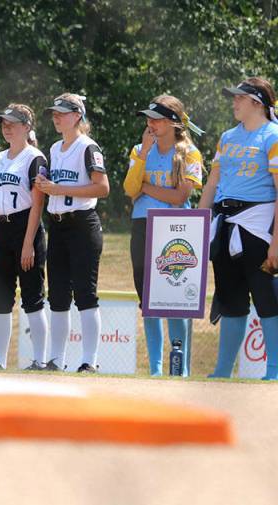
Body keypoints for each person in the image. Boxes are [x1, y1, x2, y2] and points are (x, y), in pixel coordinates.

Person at [199, 78, 278, 380]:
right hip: (226, 224)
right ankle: (222, 372)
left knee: (266, 299)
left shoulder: (272, 136)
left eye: (239, 98)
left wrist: (276, 244)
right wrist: (197, 225)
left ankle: (274, 371)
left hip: (259, 227)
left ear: (257, 102)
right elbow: (212, 182)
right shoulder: (227, 137)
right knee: (231, 298)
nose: (233, 102)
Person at [123, 95, 204, 376]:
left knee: (174, 298)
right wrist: (144, 154)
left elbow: (180, 196)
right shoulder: (139, 150)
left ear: (172, 123)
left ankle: (178, 367)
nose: (151, 124)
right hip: (143, 225)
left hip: (174, 230)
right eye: (149, 119)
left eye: (156, 119)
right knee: (148, 300)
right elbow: (130, 189)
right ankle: (156, 368)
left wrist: (147, 187)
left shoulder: (189, 153)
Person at [35, 93, 110, 373]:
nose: (56, 117)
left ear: (77, 115)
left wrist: (60, 189)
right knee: (57, 295)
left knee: (85, 294)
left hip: (82, 224)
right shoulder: (55, 148)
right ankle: (56, 359)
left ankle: (89, 361)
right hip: (58, 224)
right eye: (54, 113)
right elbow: (55, 186)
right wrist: (45, 184)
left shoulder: (88, 147)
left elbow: (102, 188)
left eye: (62, 112)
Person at [0, 104, 49, 370]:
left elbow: (37, 202)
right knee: (0, 299)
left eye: (12, 122)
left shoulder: (35, 157)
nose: (6, 127)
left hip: (25, 226)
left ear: (26, 127)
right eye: (4, 122)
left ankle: (40, 360)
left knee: (32, 296)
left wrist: (28, 243)